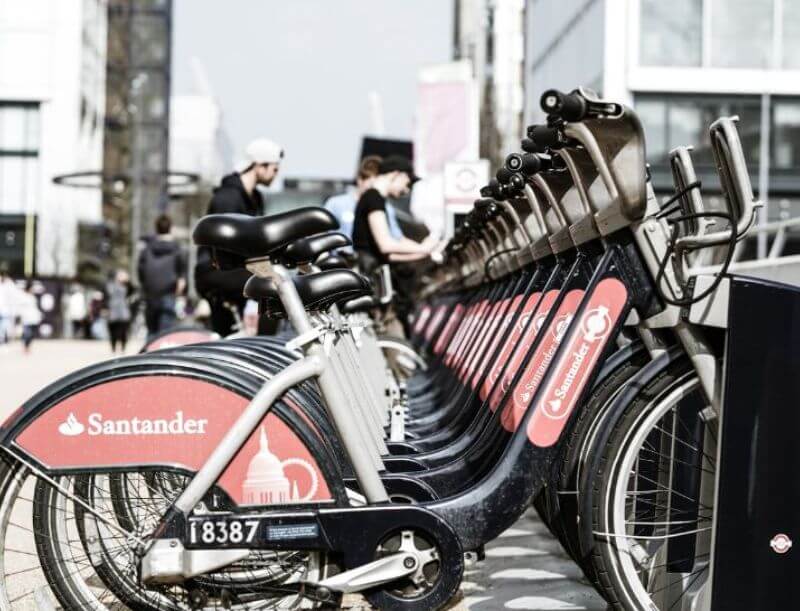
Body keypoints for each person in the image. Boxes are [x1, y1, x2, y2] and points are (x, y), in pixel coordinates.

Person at [195, 137, 283, 336]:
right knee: (274, 289)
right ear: (260, 166)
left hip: (235, 269)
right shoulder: (227, 198)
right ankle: (266, 350)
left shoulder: (255, 198)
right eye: (274, 169)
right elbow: (225, 246)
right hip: (216, 269)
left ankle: (259, 349)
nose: (276, 174)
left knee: (227, 335)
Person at [352, 155, 440, 270]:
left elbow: (386, 255)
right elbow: (386, 245)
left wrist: (424, 252)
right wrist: (424, 248)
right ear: (396, 175)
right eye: (407, 183)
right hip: (368, 274)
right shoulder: (374, 199)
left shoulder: (374, 198)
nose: (407, 190)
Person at [325, 155, 405, 245]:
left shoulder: (386, 208)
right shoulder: (336, 204)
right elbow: (322, 234)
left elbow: (397, 237)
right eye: (371, 186)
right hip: (341, 257)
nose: (374, 192)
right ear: (360, 180)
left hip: (369, 258)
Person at [137, 214, 187, 337]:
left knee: (152, 331)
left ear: (156, 228)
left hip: (150, 294)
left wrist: (145, 286)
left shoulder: (147, 248)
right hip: (169, 292)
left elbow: (140, 270)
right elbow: (182, 273)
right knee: (166, 334)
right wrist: (180, 289)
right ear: (170, 228)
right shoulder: (177, 248)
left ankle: (149, 354)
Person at [106, 269, 132, 353]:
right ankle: (113, 349)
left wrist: (127, 281)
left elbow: (133, 291)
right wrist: (105, 308)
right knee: (113, 330)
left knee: (123, 331)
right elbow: (105, 296)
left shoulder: (127, 286)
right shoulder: (109, 285)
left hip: (124, 311)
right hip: (112, 311)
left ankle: (123, 348)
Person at [19, 282, 41, 354]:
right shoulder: (23, 296)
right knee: (27, 333)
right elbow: (21, 307)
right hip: (26, 318)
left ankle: (28, 347)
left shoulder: (33, 297)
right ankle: (25, 347)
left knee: (32, 334)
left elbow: (35, 307)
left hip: (33, 318)